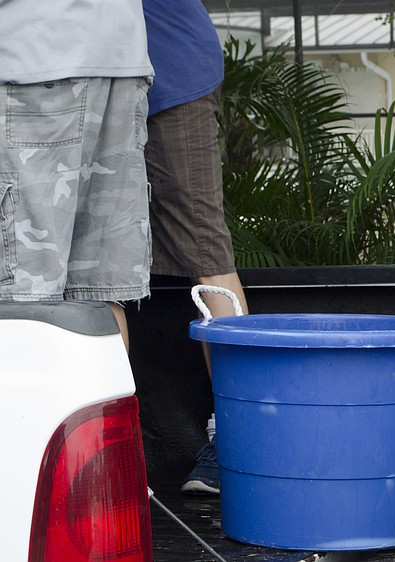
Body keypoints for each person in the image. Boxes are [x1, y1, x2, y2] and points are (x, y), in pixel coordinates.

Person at [0, 1, 153, 350]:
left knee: (22, 297)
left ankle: (29, 408)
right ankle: (106, 406)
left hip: (34, 56)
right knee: (101, 292)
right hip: (120, 58)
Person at [142, 0, 249, 494]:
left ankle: (240, 438)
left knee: (206, 256)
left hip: (169, 77)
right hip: (95, 82)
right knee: (97, 271)